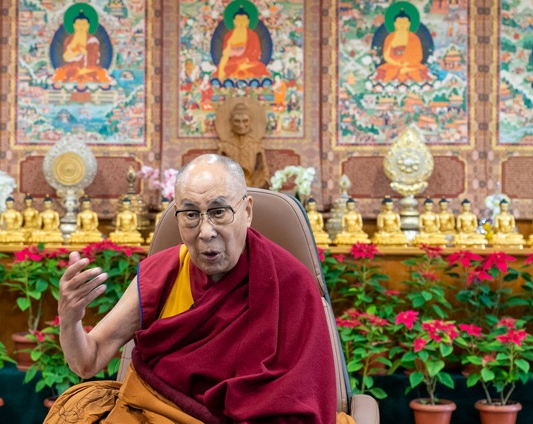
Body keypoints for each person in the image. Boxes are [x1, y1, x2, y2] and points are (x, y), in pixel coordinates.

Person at [47, 154, 337, 423]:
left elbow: (301, 402)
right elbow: (88, 361)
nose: (205, 231)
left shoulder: (291, 283)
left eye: (219, 212)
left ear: (247, 211)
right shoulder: (164, 274)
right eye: (190, 214)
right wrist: (70, 321)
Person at [52, 7, 113, 84]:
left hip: (89, 68)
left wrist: (85, 53)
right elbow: (65, 58)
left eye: (83, 25)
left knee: (101, 73)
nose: (81, 27)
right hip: (71, 67)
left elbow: (93, 61)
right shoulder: (69, 39)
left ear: (88, 26)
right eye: (78, 25)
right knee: (60, 72)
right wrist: (74, 51)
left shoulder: (92, 40)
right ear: (74, 26)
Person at [217, 102, 269, 188]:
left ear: (251, 121)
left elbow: (262, 173)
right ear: (231, 121)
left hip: (254, 188)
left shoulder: (256, 145)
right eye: (237, 121)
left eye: (245, 121)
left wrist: (256, 185)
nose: (241, 125)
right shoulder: (224, 146)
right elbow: (219, 172)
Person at [215, 5, 270, 81]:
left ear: (248, 22)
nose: (241, 23)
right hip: (233, 63)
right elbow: (225, 55)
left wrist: (246, 61)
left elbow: (256, 53)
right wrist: (221, 70)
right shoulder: (228, 35)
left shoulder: (253, 35)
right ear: (234, 21)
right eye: (238, 20)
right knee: (221, 68)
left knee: (260, 67)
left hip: (248, 63)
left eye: (243, 20)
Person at [374, 9, 430, 83]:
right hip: (393, 64)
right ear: (395, 24)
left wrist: (407, 65)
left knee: (418, 73)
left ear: (409, 24)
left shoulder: (414, 38)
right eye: (399, 22)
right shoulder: (390, 37)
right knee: (386, 74)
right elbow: (386, 55)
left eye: (404, 22)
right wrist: (396, 63)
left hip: (410, 65)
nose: (402, 25)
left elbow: (418, 56)